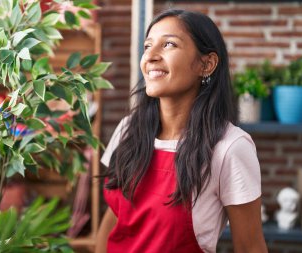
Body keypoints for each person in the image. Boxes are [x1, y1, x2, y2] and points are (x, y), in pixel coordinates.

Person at [95, 9, 267, 253]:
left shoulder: (229, 147)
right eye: (147, 46)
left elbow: (250, 247)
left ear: (206, 64)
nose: (151, 56)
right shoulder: (128, 130)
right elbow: (114, 222)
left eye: (168, 44)